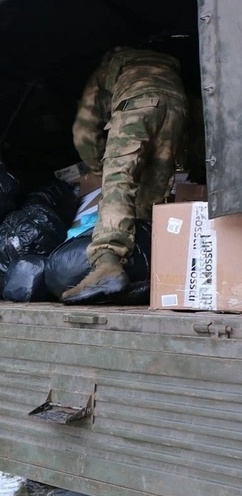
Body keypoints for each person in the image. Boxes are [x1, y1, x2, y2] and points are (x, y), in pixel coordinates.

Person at [61, 46, 188, 304]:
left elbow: (83, 131)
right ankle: (151, 267)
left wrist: (98, 169)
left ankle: (107, 264)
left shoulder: (112, 66)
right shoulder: (169, 67)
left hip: (136, 104)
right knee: (152, 200)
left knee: (118, 184)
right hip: (177, 108)